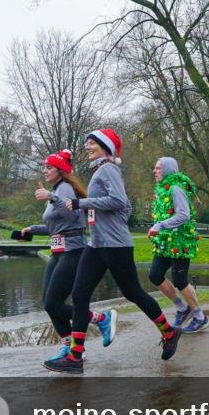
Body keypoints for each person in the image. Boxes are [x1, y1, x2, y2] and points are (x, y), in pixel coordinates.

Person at [43, 129, 182, 374]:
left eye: (92, 144)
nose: (87, 147)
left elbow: (119, 201)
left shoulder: (108, 169)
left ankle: (169, 332)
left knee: (134, 293)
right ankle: (75, 356)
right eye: (87, 144)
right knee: (79, 295)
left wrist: (80, 203)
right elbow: (122, 207)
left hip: (115, 245)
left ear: (106, 148)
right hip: (96, 245)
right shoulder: (100, 170)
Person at [22, 149, 115, 363]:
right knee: (49, 303)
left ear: (61, 170)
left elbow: (72, 213)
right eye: (44, 167)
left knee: (53, 303)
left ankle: (100, 319)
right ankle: (68, 345)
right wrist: (32, 229)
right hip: (59, 251)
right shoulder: (58, 190)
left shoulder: (63, 189)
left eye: (49, 167)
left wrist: (51, 197)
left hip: (73, 251)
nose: (45, 171)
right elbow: (57, 227)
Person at [148, 156, 208, 333]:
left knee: (180, 281)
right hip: (166, 242)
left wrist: (160, 225)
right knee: (155, 275)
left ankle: (200, 317)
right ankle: (183, 308)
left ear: (167, 170)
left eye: (158, 168)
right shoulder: (162, 190)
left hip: (180, 241)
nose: (155, 171)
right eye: (155, 168)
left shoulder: (175, 189)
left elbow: (184, 215)